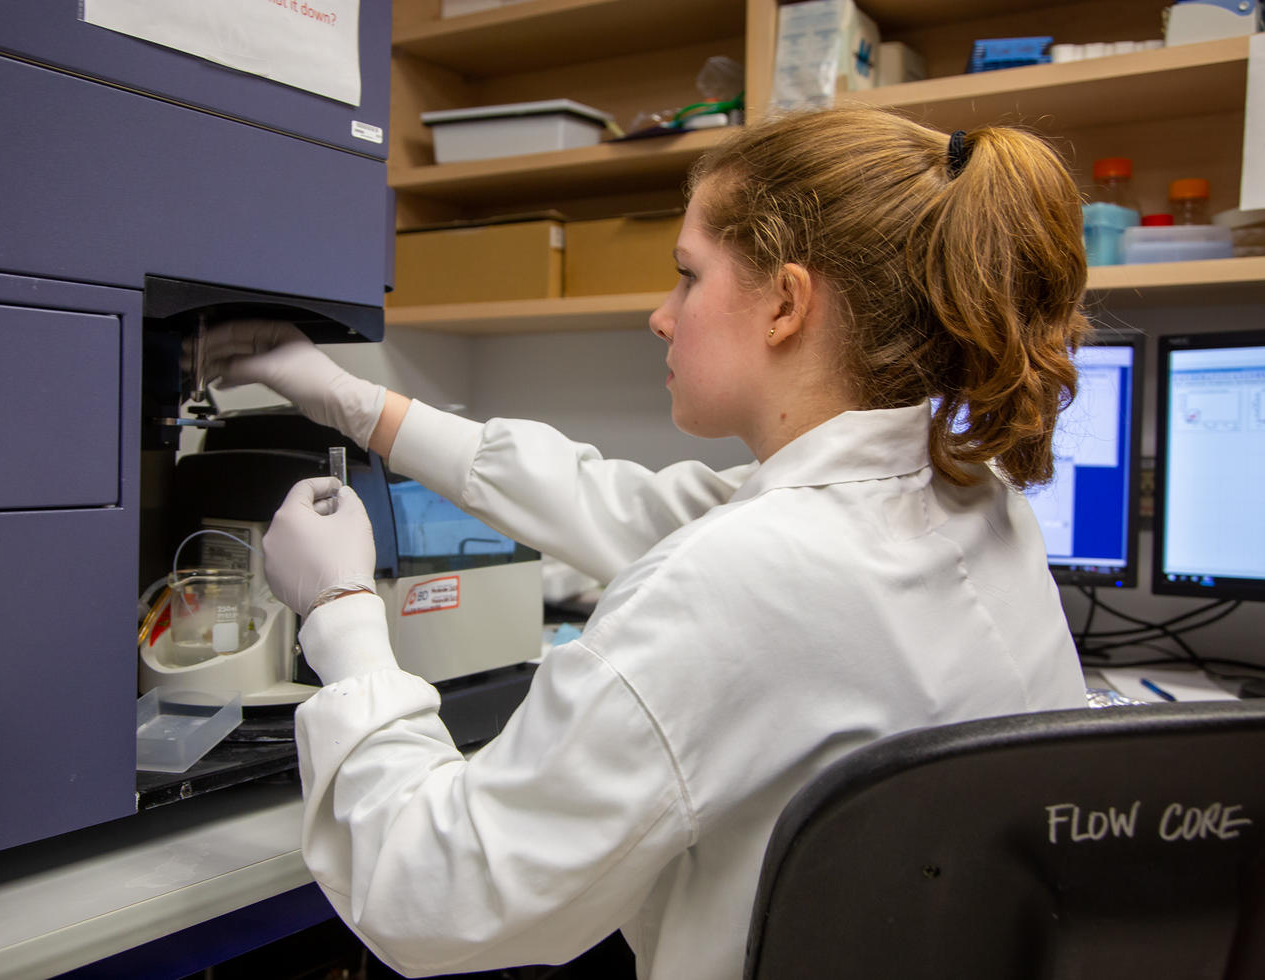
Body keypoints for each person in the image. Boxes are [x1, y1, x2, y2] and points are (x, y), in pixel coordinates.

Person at [196, 106, 1092, 979]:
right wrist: (357, 403)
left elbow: (439, 893)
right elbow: (631, 508)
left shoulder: (744, 580)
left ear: (785, 302)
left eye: (688, 276)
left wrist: (342, 616)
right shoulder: (971, 499)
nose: (664, 316)